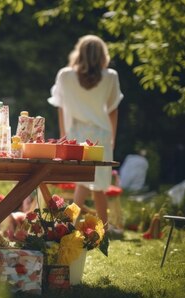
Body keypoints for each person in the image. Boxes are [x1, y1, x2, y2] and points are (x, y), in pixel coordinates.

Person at [48, 35, 123, 229]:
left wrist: (64, 136)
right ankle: (102, 230)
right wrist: (113, 137)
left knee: (82, 182)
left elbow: (60, 106)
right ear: (102, 55)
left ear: (79, 52)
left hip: (76, 134)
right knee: (99, 187)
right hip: (102, 135)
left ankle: (68, 225)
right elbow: (113, 109)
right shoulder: (111, 76)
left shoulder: (65, 75)